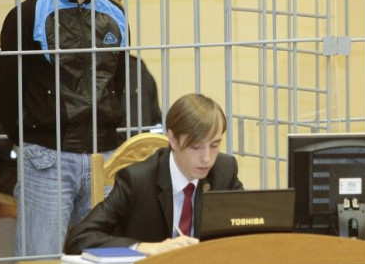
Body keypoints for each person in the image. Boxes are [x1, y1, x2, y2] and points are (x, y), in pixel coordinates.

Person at [0, 0, 126, 264]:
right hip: (47, 157)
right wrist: (30, 140)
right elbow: (4, 88)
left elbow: (119, 83)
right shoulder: (28, 15)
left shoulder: (116, 15)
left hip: (104, 157)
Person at [64, 93, 244, 255]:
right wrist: (143, 248)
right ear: (172, 139)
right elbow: (79, 238)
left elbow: (251, 225)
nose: (207, 158)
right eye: (196, 147)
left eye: (214, 145)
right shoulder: (138, 180)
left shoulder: (224, 171)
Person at [102, 0, 163, 139]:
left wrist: (154, 157)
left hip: (138, 162)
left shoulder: (136, 70)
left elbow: (156, 123)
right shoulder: (69, 69)